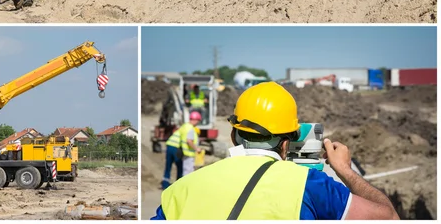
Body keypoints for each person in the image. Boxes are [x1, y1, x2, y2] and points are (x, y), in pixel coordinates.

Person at [152, 82, 399, 220]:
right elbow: (389, 217)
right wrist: (344, 169)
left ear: (232, 134)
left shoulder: (180, 190)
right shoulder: (311, 185)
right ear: (285, 144)